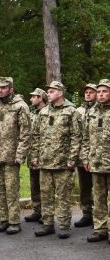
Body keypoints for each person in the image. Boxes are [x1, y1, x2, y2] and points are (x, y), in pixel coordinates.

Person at [30, 81, 82, 239]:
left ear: (60, 93)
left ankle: (64, 225)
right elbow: (36, 136)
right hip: (45, 162)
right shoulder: (43, 112)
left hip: (63, 163)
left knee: (63, 196)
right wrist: (35, 156)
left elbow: (76, 137)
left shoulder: (71, 111)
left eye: (52, 91)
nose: (49, 94)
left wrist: (72, 159)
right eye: (48, 91)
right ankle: (47, 224)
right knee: (45, 194)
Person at [0, 77, 30, 235]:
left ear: (11, 89)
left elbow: (25, 133)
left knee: (11, 190)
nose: (1, 90)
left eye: (4, 87)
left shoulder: (20, 106)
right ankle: (2, 219)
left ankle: (14, 221)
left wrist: (20, 153)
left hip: (11, 155)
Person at [81, 79, 110, 244]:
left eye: (104, 91)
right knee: (98, 197)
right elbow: (85, 138)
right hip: (96, 163)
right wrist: (85, 157)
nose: (100, 94)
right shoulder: (91, 112)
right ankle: (100, 229)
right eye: (98, 92)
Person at [75, 83, 98, 228]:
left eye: (91, 92)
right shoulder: (79, 111)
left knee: (98, 188)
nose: (88, 94)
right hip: (81, 155)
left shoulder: (100, 110)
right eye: (86, 92)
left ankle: (99, 216)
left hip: (97, 155)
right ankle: (87, 214)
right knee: (84, 187)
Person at [25, 88, 48, 223]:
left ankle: (46, 212)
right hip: (32, 153)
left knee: (44, 186)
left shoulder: (46, 113)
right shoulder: (32, 113)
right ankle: (37, 210)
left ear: (40, 98)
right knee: (34, 184)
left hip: (44, 154)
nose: (31, 99)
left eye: (34, 97)